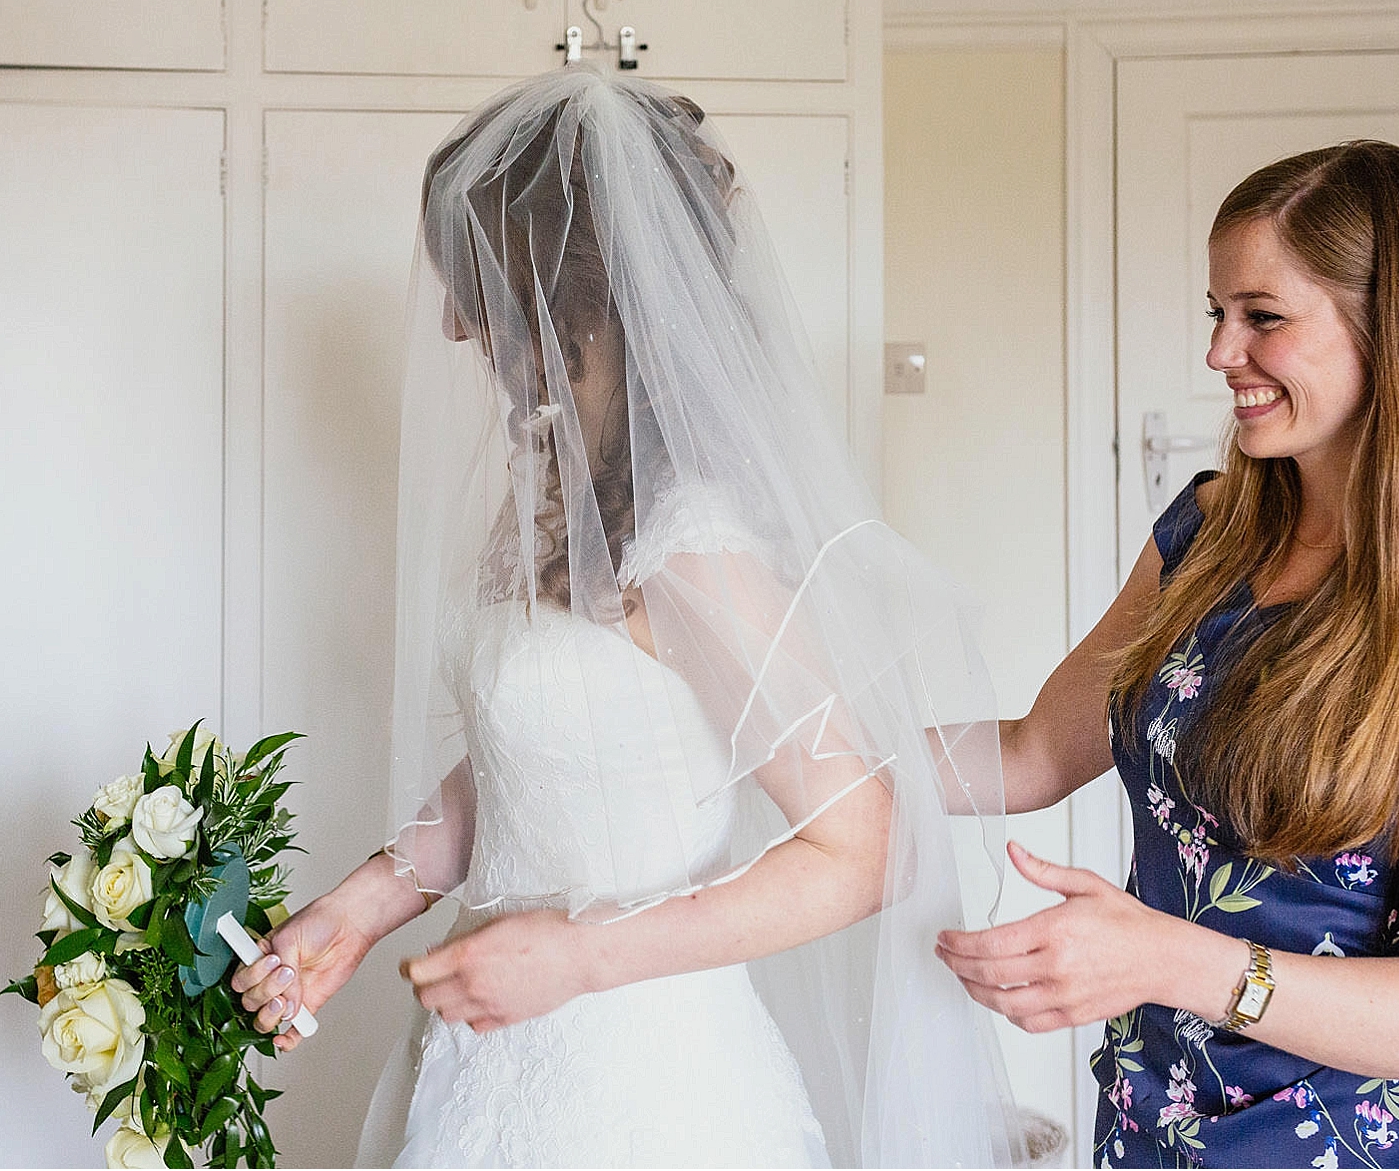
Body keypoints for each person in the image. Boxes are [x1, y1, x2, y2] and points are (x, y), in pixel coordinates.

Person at [232, 65, 1024, 1166]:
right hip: (489, 1062)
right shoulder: (561, 502)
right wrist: (364, 902)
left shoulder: (690, 545)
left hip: (641, 1095)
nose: (460, 328)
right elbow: (544, 753)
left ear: (567, 293)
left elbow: (862, 845)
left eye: (478, 284)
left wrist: (577, 956)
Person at [932, 141, 1399, 1167]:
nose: (1219, 351)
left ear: (1394, 331)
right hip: (1149, 1126)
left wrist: (1166, 958)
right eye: (1214, 313)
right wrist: (801, 752)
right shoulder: (1206, 529)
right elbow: (1027, 752)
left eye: (1260, 317)